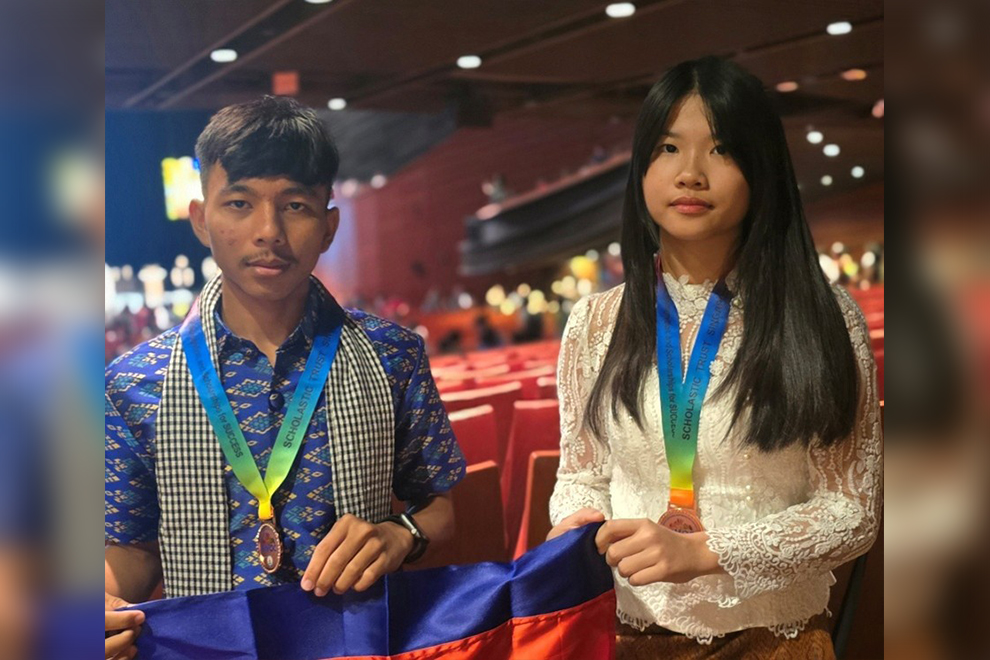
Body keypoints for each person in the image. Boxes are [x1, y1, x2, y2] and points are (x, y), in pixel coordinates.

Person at [104, 97, 466, 659]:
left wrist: (399, 535)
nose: (268, 231)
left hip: (359, 642)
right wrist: (99, 609)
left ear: (328, 225)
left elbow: (439, 509)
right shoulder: (134, 383)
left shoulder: (392, 355)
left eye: (295, 206)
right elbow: (131, 548)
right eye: (240, 203)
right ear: (202, 219)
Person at [546, 57, 881, 658]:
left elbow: (852, 510)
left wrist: (704, 552)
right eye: (668, 148)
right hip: (625, 633)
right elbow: (581, 472)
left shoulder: (822, 316)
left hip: (771, 640)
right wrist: (578, 520)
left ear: (760, 169)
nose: (690, 175)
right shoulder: (595, 323)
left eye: (721, 150)